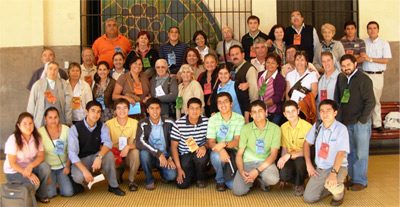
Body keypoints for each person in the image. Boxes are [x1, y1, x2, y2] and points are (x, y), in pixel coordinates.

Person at [334, 54, 375, 191]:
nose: (346, 68)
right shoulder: (341, 78)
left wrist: (362, 120)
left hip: (360, 123)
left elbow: (370, 102)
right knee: (350, 152)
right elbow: (338, 100)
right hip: (346, 122)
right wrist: (339, 120)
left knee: (361, 153)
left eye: (348, 65)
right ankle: (352, 178)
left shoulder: (364, 79)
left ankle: (361, 180)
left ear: (355, 64)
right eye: (343, 66)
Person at [68, 101, 126, 196]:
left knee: (109, 155)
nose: (96, 114)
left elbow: (108, 143)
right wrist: (85, 171)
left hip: (95, 156)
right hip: (81, 159)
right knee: (78, 177)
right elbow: (72, 154)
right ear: (87, 112)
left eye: (98, 112)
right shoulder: (75, 128)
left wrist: (99, 157)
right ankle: (83, 182)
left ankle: (113, 186)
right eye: (93, 111)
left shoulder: (102, 126)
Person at [303, 99, 350, 206]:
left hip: (338, 167)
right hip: (321, 168)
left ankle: (339, 193)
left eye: (328, 110)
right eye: (322, 111)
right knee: (308, 198)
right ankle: (329, 186)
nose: (325, 113)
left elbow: (341, 153)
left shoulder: (341, 129)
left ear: (335, 113)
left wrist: (333, 173)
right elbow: (306, 144)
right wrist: (308, 164)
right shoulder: (317, 126)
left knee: (333, 186)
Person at [233, 100, 280, 196]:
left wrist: (257, 171)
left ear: (266, 112)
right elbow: (239, 154)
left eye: (260, 111)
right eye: (254, 112)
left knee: (273, 179)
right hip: (247, 162)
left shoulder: (275, 129)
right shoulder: (245, 129)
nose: (257, 114)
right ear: (250, 114)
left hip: (265, 162)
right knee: (238, 192)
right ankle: (253, 179)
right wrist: (241, 171)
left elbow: (273, 155)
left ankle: (259, 178)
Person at [4, 112, 52, 203]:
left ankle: (41, 195)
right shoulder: (13, 139)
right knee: (34, 184)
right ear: (18, 125)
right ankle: (14, 185)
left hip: (29, 168)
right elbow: (12, 163)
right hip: (14, 171)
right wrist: (27, 174)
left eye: (30, 123)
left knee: (45, 167)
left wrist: (30, 166)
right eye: (24, 124)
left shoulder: (37, 137)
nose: (28, 126)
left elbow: (41, 156)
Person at [136, 98, 177, 190]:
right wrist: (158, 154)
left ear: (160, 109)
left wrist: (171, 157)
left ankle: (162, 172)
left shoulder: (169, 122)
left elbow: (175, 140)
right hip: (151, 156)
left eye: (157, 108)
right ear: (147, 110)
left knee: (172, 176)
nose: (155, 111)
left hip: (166, 156)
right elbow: (140, 142)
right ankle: (149, 179)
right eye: (152, 108)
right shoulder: (142, 123)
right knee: (143, 154)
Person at [207, 93, 245, 191]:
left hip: (234, 151)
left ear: (231, 104)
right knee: (216, 156)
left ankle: (230, 176)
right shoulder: (213, 119)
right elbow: (211, 142)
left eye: (225, 101)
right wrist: (221, 150)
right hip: (218, 149)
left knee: (233, 186)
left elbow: (237, 141)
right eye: (219, 102)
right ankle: (220, 180)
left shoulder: (239, 118)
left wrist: (224, 144)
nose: (222, 104)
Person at [171, 97, 209, 189]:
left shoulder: (207, 122)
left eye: (197, 108)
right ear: (187, 109)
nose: (194, 111)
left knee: (200, 159)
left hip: (200, 152)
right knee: (182, 185)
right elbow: (173, 147)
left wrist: (204, 146)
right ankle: (193, 174)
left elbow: (210, 140)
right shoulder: (178, 124)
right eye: (192, 108)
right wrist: (179, 169)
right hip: (185, 154)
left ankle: (200, 178)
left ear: (201, 110)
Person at [277, 100, 312, 196]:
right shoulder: (283, 127)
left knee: (300, 163)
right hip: (289, 157)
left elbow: (310, 150)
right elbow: (284, 148)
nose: (291, 114)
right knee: (283, 174)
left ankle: (299, 184)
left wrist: (290, 155)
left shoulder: (307, 127)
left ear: (298, 110)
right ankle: (292, 179)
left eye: (293, 110)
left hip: (303, 156)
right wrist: (282, 160)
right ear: (284, 114)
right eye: (288, 112)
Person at [363, 21, 392, 133]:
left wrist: (370, 59)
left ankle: (377, 123)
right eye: (369, 28)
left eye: (374, 28)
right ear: (367, 30)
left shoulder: (384, 43)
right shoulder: (363, 42)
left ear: (378, 30)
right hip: (365, 74)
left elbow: (386, 60)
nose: (372, 30)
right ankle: (366, 122)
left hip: (377, 75)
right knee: (365, 99)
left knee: (375, 99)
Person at [106, 98, 140, 191]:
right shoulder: (108, 124)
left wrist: (128, 146)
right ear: (115, 110)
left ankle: (131, 180)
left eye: (125, 108)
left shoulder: (135, 123)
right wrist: (115, 153)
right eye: (119, 108)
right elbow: (105, 144)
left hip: (129, 153)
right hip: (115, 155)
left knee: (136, 153)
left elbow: (140, 143)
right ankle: (119, 172)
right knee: (115, 179)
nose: (122, 111)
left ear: (129, 110)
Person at [39, 107, 74, 197]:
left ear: (59, 118)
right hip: (49, 168)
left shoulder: (66, 130)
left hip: (63, 166)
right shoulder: (40, 132)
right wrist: (46, 173)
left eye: (55, 117)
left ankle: (59, 183)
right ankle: (55, 184)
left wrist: (68, 166)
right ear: (45, 119)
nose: (53, 120)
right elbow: (39, 155)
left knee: (68, 192)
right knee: (50, 195)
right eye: (50, 117)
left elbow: (71, 151)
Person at [27, 61, 72, 128]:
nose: (53, 71)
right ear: (46, 70)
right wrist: (30, 121)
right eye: (50, 69)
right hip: (42, 120)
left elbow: (68, 104)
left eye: (55, 69)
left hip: (59, 119)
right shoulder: (38, 84)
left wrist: (68, 121)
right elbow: (31, 104)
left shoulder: (64, 84)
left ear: (58, 71)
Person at [112, 55, 151, 119]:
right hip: (128, 111)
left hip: (143, 110)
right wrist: (126, 98)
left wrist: (148, 98)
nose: (137, 66)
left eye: (140, 64)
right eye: (135, 63)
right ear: (130, 65)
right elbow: (114, 96)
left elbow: (148, 92)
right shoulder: (123, 77)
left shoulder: (144, 76)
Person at [285, 51, 318, 123]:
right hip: (292, 110)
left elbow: (314, 93)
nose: (299, 62)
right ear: (294, 61)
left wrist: (303, 104)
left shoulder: (312, 75)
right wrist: (289, 107)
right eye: (297, 60)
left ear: (306, 62)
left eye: (302, 60)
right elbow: (287, 94)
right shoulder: (289, 75)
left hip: (306, 109)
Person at [257, 54, 286, 125]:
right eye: (268, 62)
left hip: (274, 113)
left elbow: (278, 97)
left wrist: (262, 105)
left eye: (273, 63)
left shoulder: (280, 79)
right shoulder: (260, 74)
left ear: (278, 65)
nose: (270, 65)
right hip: (260, 111)